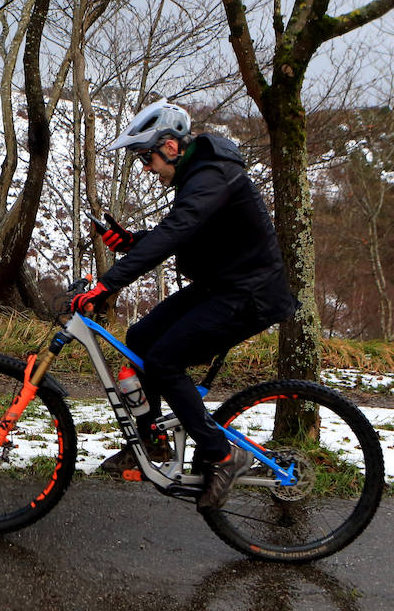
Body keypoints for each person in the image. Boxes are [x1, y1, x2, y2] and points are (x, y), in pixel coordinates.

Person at [68, 98, 296, 514]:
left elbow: (178, 230)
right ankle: (150, 439)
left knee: (162, 363)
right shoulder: (199, 177)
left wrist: (106, 285)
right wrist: (133, 241)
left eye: (145, 157)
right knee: (139, 339)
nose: (145, 167)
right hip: (222, 286)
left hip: (249, 295)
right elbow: (189, 230)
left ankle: (223, 457)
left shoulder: (212, 175)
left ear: (170, 147)